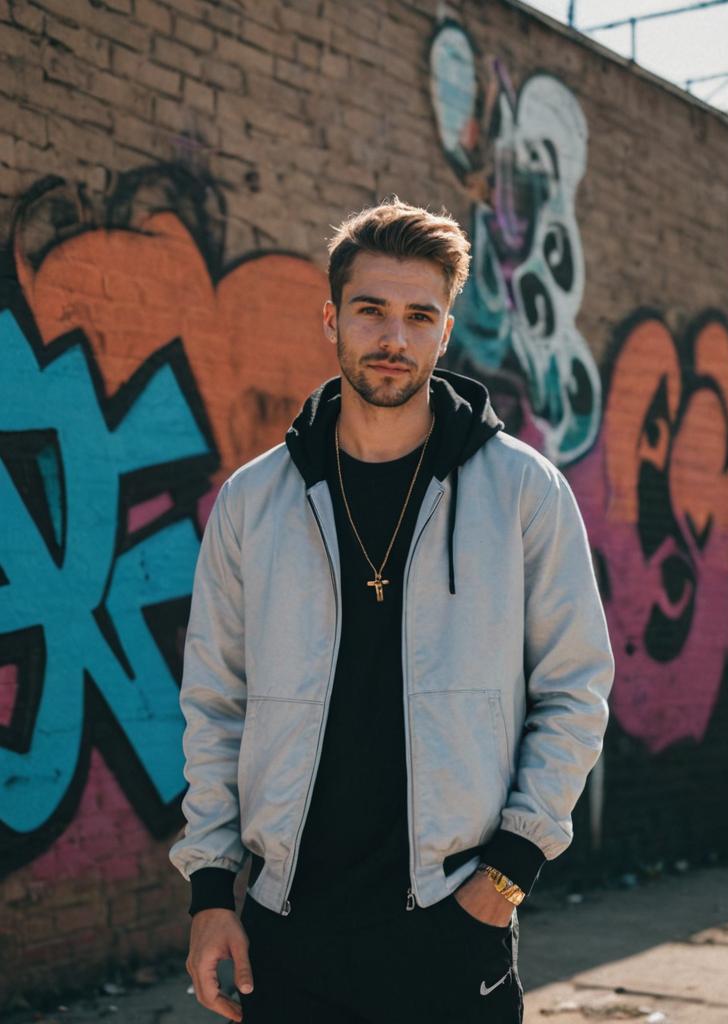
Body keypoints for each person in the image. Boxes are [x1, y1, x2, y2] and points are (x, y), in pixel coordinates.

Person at [169, 198, 614, 1023]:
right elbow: (214, 704)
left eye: (420, 316)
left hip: (452, 920)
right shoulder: (255, 501)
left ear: (446, 333)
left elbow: (575, 688)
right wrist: (209, 893)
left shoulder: (522, 492)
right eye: (372, 311)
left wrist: (507, 874)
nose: (393, 339)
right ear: (332, 316)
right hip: (285, 928)